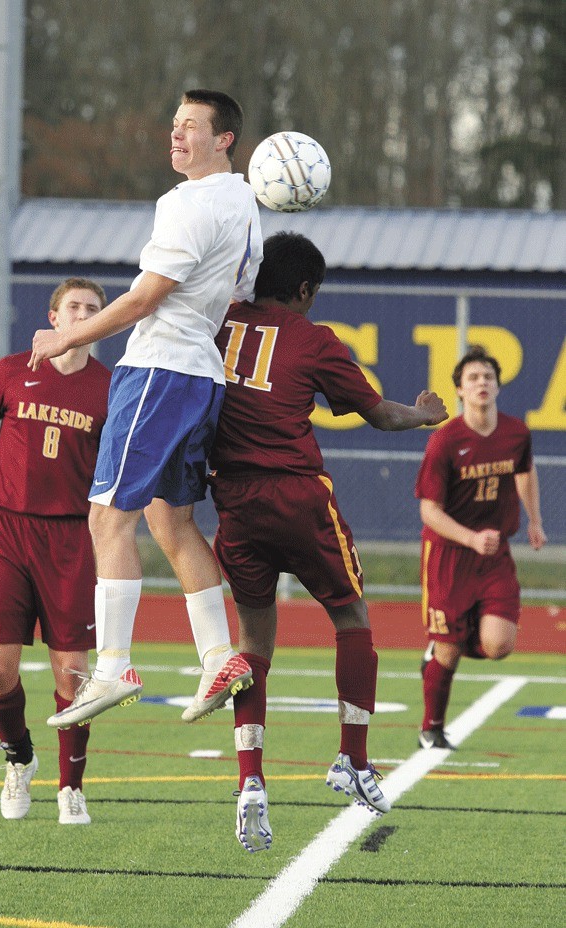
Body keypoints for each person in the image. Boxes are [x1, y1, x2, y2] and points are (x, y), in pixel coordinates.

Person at [207, 231, 449, 852]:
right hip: (297, 496)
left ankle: (250, 781)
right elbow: (380, 414)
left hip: (233, 499)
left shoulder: (218, 319)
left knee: (252, 642)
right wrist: (425, 413)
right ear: (307, 290)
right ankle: (352, 759)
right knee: (351, 616)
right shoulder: (314, 338)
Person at [29, 90, 263, 730]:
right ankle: (218, 654)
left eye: (192, 127)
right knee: (172, 522)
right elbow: (240, 291)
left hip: (159, 371)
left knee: (107, 516)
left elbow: (144, 299)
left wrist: (67, 336)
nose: (176, 134)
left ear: (225, 140)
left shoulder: (189, 203)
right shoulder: (245, 203)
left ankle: (113, 667)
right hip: (200, 377)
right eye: (175, 123)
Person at [0, 278, 111, 824]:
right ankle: (19, 760)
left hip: (71, 537)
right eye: (75, 307)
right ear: (54, 316)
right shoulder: (10, 370)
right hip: (5, 531)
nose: (84, 314)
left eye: (94, 309)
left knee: (73, 671)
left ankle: (72, 787)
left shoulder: (111, 388)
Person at [415, 344, 546, 749]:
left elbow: (524, 471)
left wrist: (535, 521)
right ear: (459, 391)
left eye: (488, 377)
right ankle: (431, 727)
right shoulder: (445, 441)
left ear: (498, 386)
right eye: (473, 378)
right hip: (450, 555)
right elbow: (429, 511)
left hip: (495, 557)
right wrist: (471, 537)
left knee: (499, 645)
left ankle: (444, 647)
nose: (481, 383)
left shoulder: (515, 432)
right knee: (450, 650)